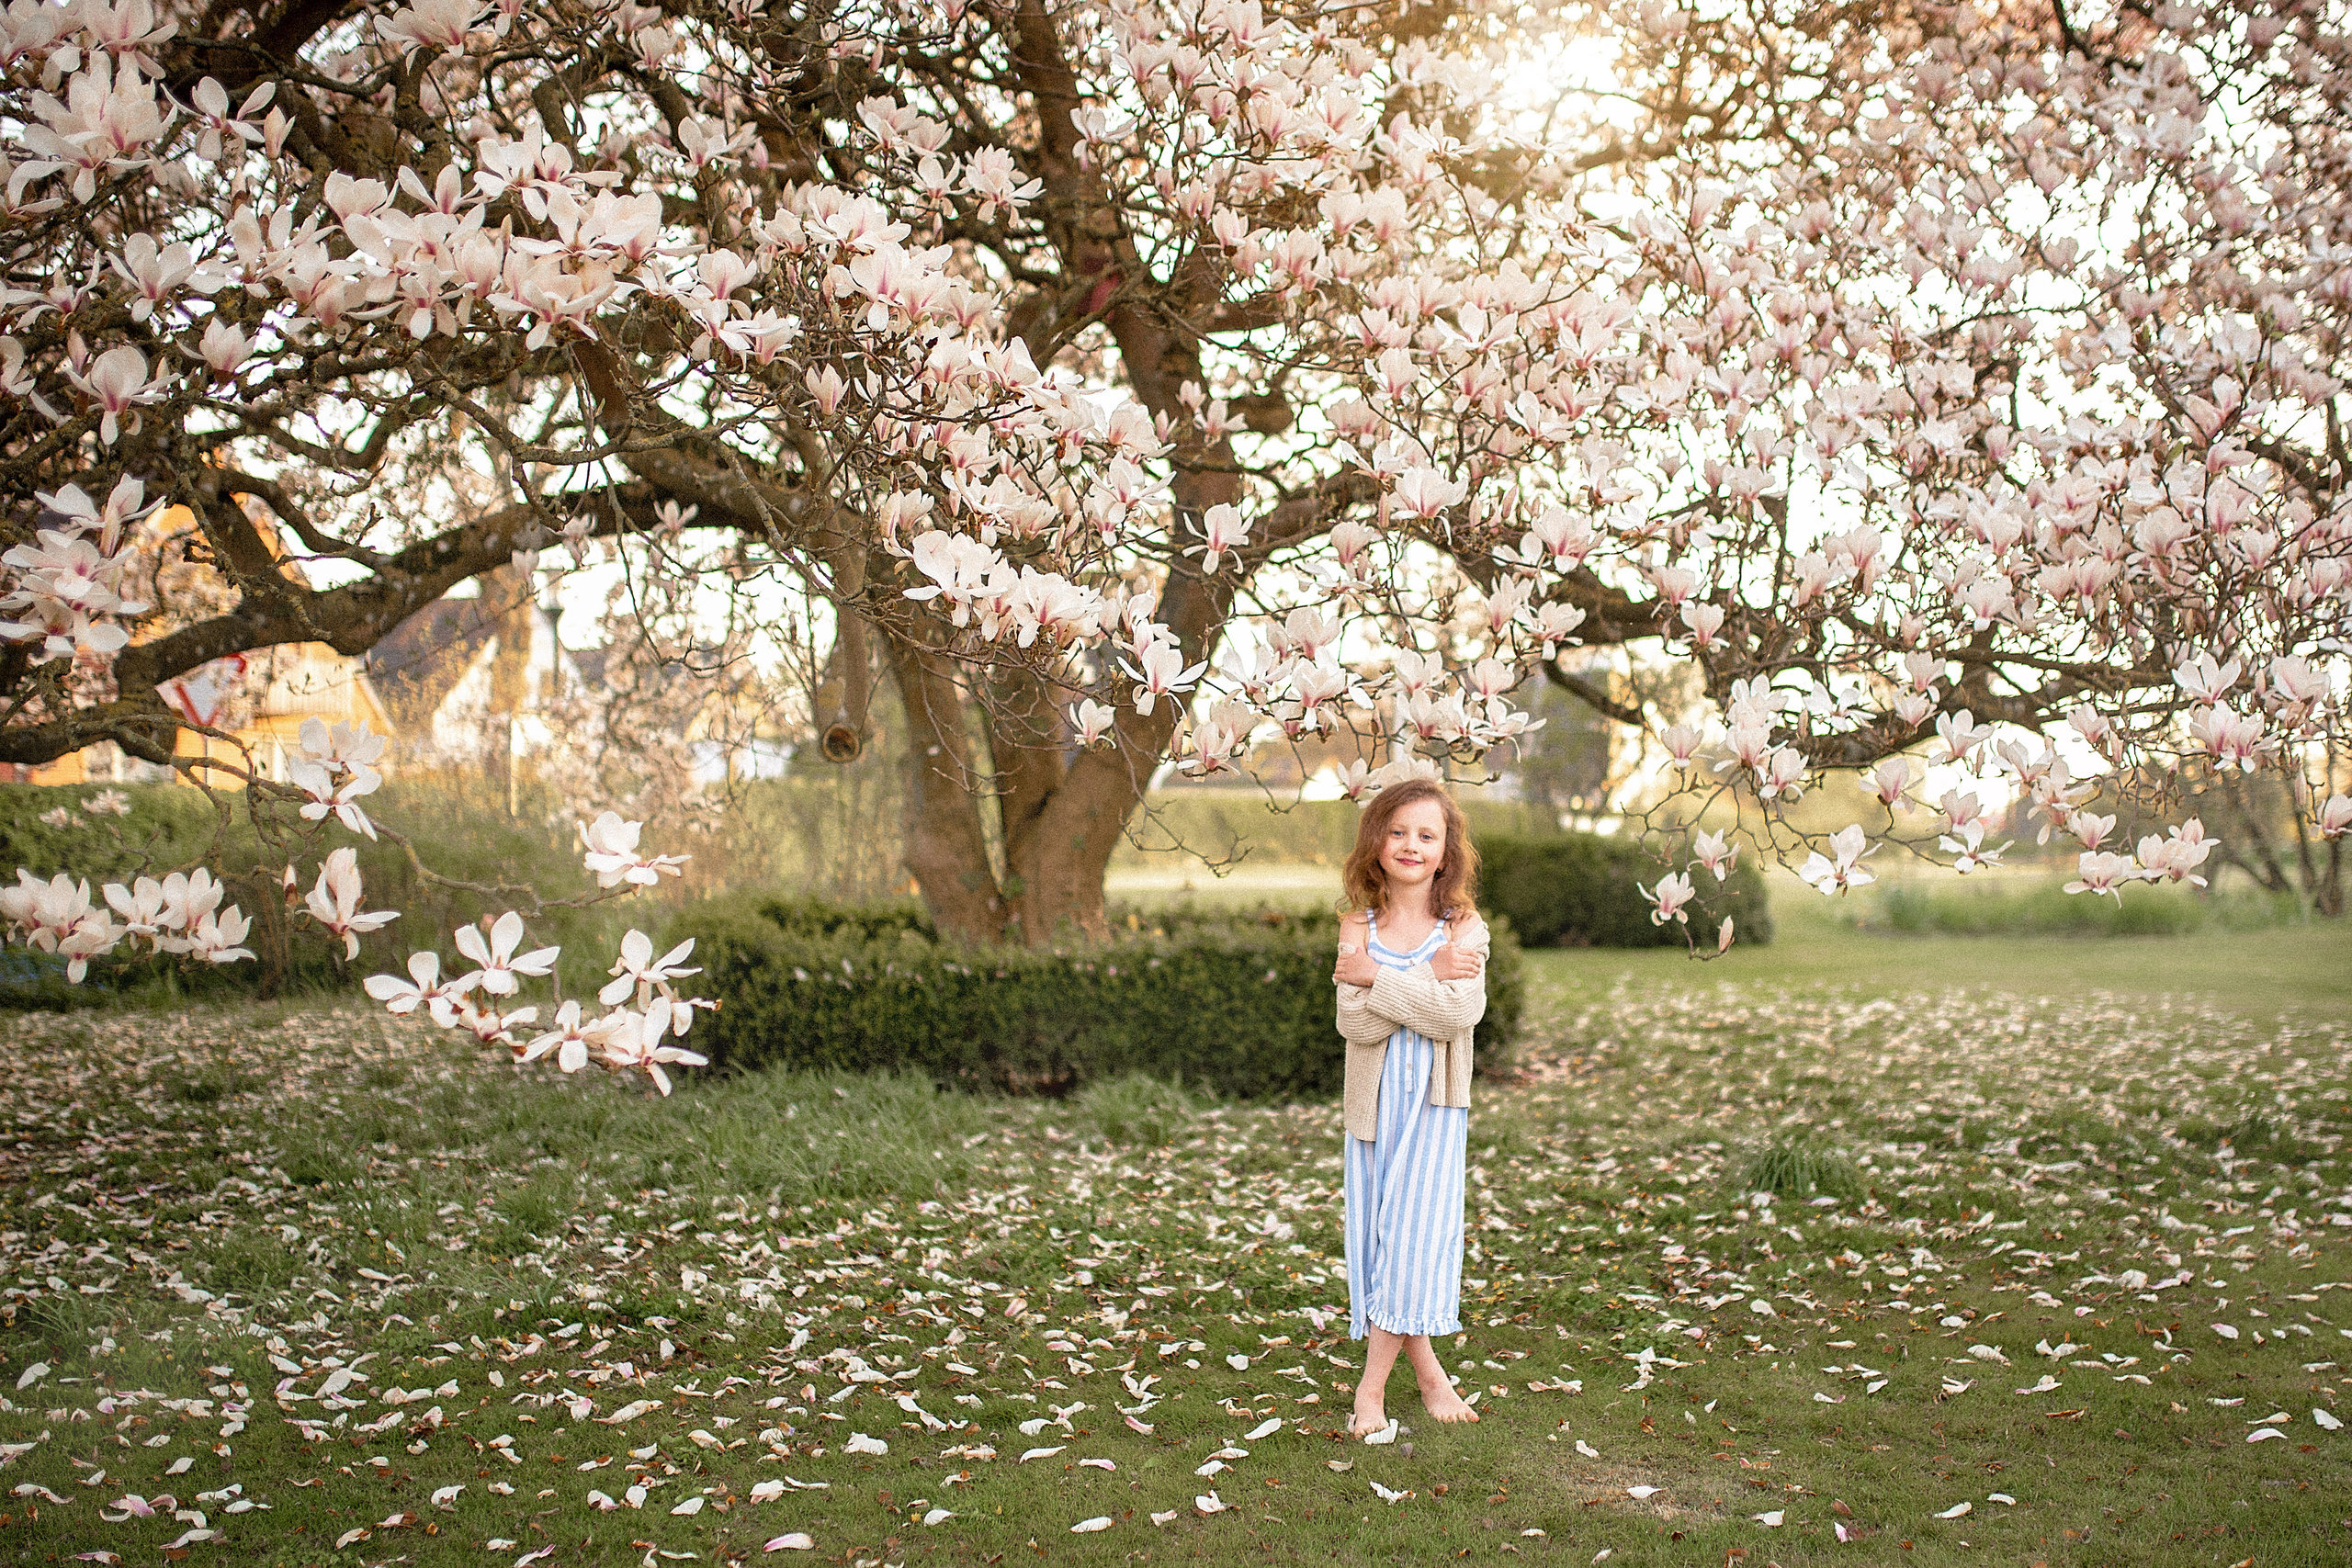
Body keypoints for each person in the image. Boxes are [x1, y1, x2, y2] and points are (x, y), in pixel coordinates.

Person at [1330, 775, 1488, 1437]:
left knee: (1413, 1237)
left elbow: (1461, 1012)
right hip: (1372, 1113)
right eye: (1397, 831)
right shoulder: (1356, 927)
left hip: (1432, 1109)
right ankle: (1429, 1377)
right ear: (1376, 841)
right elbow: (1354, 1023)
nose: (1411, 845)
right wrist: (1422, 975)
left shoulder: (1465, 928)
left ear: (1447, 849)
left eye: (1427, 834)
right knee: (1377, 1239)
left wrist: (1381, 981)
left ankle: (1370, 1389)